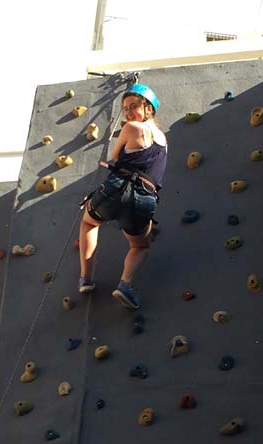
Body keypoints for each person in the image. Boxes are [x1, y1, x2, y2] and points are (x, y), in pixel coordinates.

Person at [78, 83, 167, 310]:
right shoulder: (163, 140)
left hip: (118, 188)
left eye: (133, 106)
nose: (128, 113)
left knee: (89, 222)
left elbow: (116, 157)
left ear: (148, 108)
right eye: (125, 109)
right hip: (145, 198)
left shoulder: (132, 127)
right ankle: (125, 284)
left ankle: (85, 279)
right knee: (140, 246)